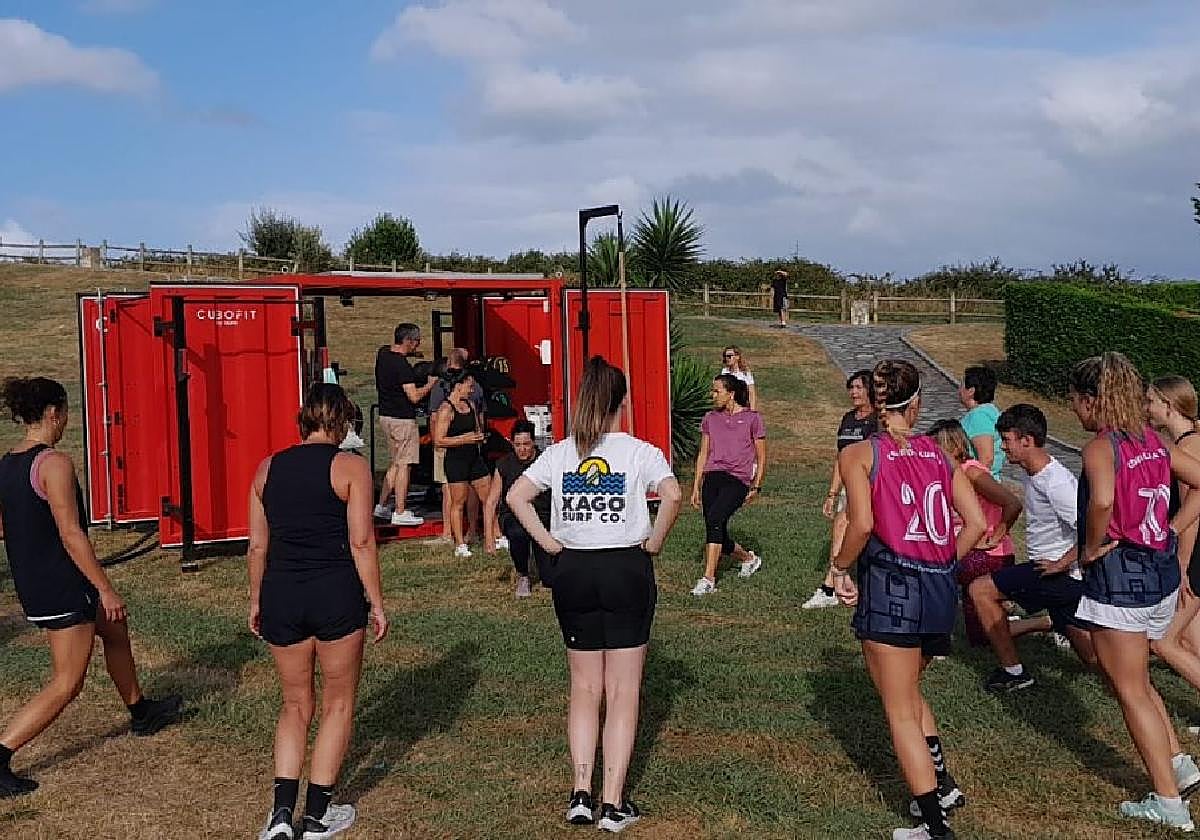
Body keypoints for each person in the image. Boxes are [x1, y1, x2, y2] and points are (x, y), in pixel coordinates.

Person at [507, 356, 682, 833]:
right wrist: (655, 542)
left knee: (584, 688)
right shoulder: (640, 452)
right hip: (626, 565)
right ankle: (613, 802)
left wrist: (549, 545)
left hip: (574, 570)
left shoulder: (562, 452)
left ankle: (580, 793)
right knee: (622, 691)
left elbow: (515, 496)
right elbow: (673, 494)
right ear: (621, 402)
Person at [0, 377, 182, 798]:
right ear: (52, 413)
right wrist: (106, 588)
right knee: (67, 682)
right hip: (61, 585)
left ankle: (141, 711)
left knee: (115, 631)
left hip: (38, 580)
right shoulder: (54, 464)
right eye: (64, 412)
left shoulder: (8, 463)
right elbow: (72, 534)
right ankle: (2, 753)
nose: (66, 421)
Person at [831, 360, 987, 840]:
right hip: (938, 592)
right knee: (910, 693)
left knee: (897, 707)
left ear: (877, 405)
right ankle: (944, 783)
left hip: (891, 588)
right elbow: (977, 524)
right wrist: (943, 564)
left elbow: (861, 524)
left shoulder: (859, 454)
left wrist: (838, 568)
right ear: (915, 403)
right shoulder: (941, 456)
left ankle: (933, 824)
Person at [248, 382, 388, 840]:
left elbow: (257, 546)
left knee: (294, 705)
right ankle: (317, 814)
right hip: (334, 592)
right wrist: (378, 602)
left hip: (281, 594)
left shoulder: (267, 468)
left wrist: (256, 600)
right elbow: (362, 541)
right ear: (341, 420)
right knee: (338, 703)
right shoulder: (350, 466)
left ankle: (281, 814)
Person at [1069, 352, 1200, 830]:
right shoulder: (1152, 440)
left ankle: (1168, 803)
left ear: (1091, 400)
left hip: (1121, 581)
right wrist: (1170, 530)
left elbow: (1102, 499)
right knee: (1139, 680)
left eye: (1076, 402)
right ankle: (1178, 763)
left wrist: (1089, 547)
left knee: (1128, 689)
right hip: (1160, 575)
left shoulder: (1101, 448)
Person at [968, 405, 1096, 693]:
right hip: (1059, 576)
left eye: (1007, 440)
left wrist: (1061, 564)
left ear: (1026, 440)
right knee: (1095, 659)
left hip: (1058, 575)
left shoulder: (1056, 483)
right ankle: (1156, 648)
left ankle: (1013, 672)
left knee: (980, 589)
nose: (1002, 447)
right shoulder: (1032, 471)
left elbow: (1093, 530)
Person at [927, 419, 1020, 648]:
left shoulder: (972, 472)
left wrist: (995, 535)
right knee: (979, 637)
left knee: (935, 575)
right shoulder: (951, 473)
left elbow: (1012, 503)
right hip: (970, 549)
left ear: (954, 447)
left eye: (935, 449)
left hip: (987, 554)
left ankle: (1046, 622)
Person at [805, 369, 877, 610]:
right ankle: (835, 584)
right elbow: (841, 457)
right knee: (841, 527)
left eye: (859, 387)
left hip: (869, 485)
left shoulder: (878, 420)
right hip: (848, 486)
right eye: (851, 388)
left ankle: (831, 585)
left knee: (845, 527)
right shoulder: (848, 419)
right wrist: (832, 492)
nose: (853, 392)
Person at [689, 374, 766, 595]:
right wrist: (696, 484)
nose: (712, 395)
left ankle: (708, 579)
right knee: (715, 527)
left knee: (715, 519)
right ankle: (748, 558)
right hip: (713, 477)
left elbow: (762, 456)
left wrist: (756, 485)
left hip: (738, 479)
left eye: (716, 391)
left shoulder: (752, 418)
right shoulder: (710, 418)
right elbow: (703, 453)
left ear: (730, 394)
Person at [1149, 377, 1200, 668]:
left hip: (1193, 555)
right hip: (1194, 554)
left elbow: (1193, 514)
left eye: (1150, 402)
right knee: (1189, 639)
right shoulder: (1191, 441)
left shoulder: (1188, 448)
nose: (1147, 408)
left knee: (1163, 642)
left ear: (1168, 406)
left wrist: (1182, 566)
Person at [374, 322, 437, 527]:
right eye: (416, 342)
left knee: (395, 462)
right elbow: (413, 396)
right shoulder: (402, 366)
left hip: (386, 417)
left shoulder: (383, 354)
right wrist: (429, 384)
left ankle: (382, 506)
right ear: (408, 340)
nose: (418, 346)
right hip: (402, 420)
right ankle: (400, 511)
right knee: (405, 464)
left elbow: (396, 356)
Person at [485, 420, 551, 598]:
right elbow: (491, 502)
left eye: (526, 444)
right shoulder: (504, 464)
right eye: (517, 445)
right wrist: (489, 536)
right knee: (517, 533)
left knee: (549, 579)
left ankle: (543, 567)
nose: (522, 449)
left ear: (534, 442)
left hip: (542, 515)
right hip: (513, 515)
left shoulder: (545, 461)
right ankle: (523, 574)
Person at [432, 369, 492, 559]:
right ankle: (459, 543)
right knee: (458, 502)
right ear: (458, 386)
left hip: (474, 457)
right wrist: (464, 439)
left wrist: (478, 437)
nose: (472, 390)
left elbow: (475, 428)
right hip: (456, 460)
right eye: (469, 386)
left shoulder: (471, 405)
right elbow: (439, 440)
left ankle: (495, 535)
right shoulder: (446, 409)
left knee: (489, 497)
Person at [958, 366, 1005, 480]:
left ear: (971, 391)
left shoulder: (979, 416)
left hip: (979, 487)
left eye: (962, 385)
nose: (959, 390)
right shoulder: (989, 411)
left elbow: (986, 458)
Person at [719, 346, 758, 411]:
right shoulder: (724, 372)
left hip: (742, 406)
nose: (727, 358)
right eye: (725, 356)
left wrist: (752, 409)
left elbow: (751, 392)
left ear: (737, 357)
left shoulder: (745, 373)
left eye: (729, 356)